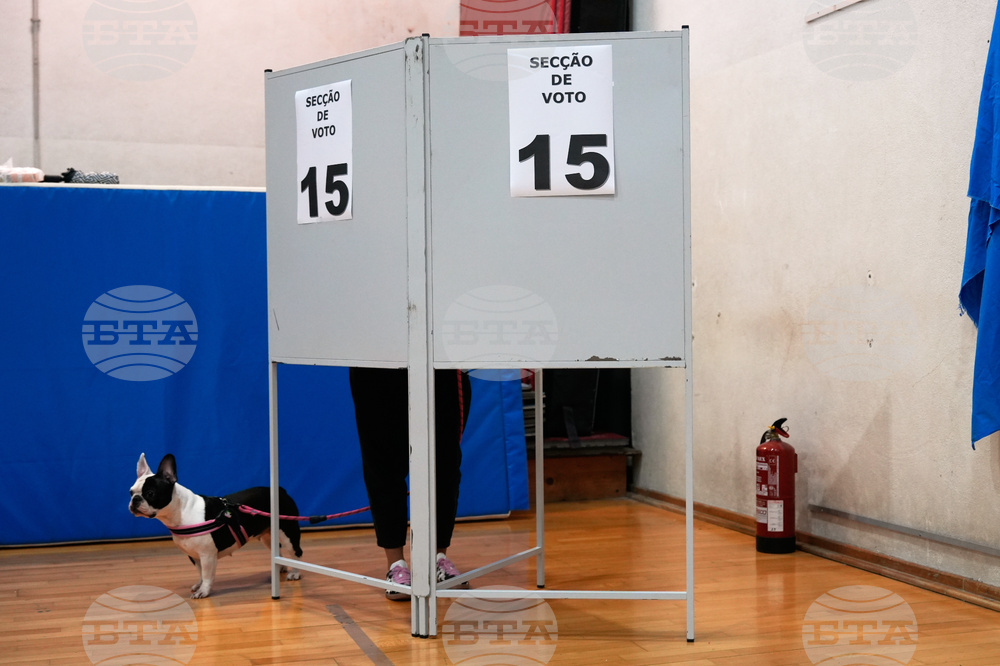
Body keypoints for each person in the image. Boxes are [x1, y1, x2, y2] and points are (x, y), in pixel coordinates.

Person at [349, 366, 472, 600]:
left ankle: (438, 558)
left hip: (440, 369)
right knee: (383, 465)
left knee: (444, 465)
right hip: (375, 369)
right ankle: (396, 565)